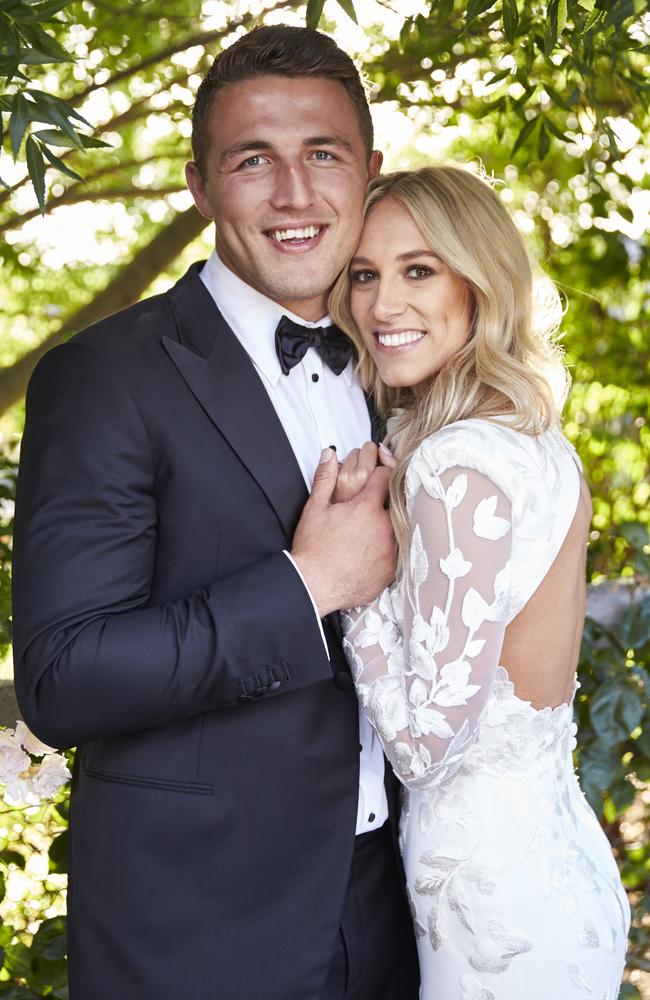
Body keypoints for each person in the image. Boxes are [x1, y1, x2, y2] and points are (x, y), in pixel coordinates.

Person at [12, 25, 419, 1000]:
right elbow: (64, 678)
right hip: (198, 933)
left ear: (368, 171)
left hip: (399, 917)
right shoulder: (103, 378)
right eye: (252, 161)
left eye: (321, 154)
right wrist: (306, 584)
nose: (292, 193)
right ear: (199, 186)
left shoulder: (406, 371)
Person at [329, 165, 631, 999]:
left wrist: (353, 586)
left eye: (418, 269)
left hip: (497, 913)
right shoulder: (533, 440)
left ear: (480, 281)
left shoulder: (455, 466)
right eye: (365, 274)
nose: (384, 305)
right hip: (551, 869)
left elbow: (427, 747)